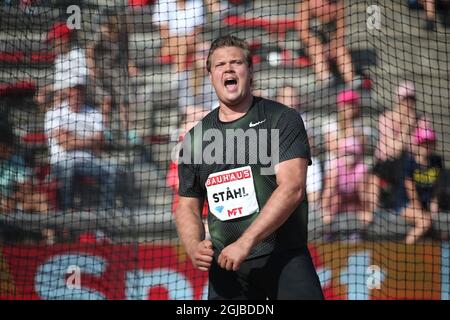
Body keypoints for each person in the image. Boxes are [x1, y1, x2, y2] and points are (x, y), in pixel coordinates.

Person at [176, 35, 324, 300]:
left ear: (250, 71)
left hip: (284, 257)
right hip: (226, 266)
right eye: (220, 65)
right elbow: (187, 205)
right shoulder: (196, 139)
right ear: (210, 75)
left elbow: (292, 188)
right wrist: (193, 245)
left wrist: (245, 242)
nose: (229, 69)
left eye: (236, 62)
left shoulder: (281, 118)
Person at [44, 75, 118, 211]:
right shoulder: (55, 113)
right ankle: (68, 212)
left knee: (112, 169)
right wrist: (90, 139)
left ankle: (107, 213)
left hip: (88, 161)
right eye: (73, 90)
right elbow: (65, 143)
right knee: (69, 167)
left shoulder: (94, 113)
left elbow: (101, 142)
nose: (76, 94)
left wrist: (73, 137)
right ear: (68, 91)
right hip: (62, 161)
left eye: (80, 90)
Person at [295, 0, 355, 86]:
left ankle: (352, 81)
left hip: (330, 45)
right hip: (310, 45)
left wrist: (334, 44)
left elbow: (341, 31)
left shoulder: (337, 5)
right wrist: (317, 43)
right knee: (316, 48)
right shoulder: (307, 4)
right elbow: (303, 33)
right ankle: (325, 79)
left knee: (341, 49)